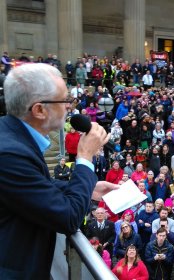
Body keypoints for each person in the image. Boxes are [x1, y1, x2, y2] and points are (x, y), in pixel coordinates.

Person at [0, 63, 117, 278]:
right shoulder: (9, 154)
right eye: (65, 100)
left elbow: (36, 186)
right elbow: (69, 217)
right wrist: (84, 157)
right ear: (39, 109)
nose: (69, 107)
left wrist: (89, 187)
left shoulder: (11, 135)